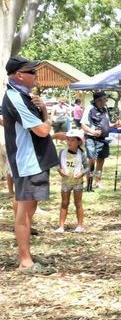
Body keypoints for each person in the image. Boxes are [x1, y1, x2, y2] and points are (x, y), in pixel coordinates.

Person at [2, 56, 59, 274]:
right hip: (28, 161)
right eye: (32, 72)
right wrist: (47, 117)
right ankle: (25, 261)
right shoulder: (15, 97)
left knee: (31, 206)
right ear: (19, 75)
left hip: (35, 160)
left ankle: (27, 254)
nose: (36, 75)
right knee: (25, 210)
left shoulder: (24, 96)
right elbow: (43, 131)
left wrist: (43, 109)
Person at [55, 129, 87, 233]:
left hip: (77, 183)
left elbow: (87, 167)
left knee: (78, 203)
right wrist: (60, 171)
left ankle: (80, 225)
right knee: (64, 203)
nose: (69, 142)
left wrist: (82, 173)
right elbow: (58, 165)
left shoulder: (82, 153)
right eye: (68, 140)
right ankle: (61, 226)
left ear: (79, 142)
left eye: (73, 140)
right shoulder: (62, 152)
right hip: (66, 182)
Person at [81, 91, 114, 190]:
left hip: (103, 139)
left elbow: (107, 124)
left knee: (101, 160)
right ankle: (88, 183)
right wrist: (92, 132)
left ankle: (98, 181)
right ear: (99, 100)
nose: (107, 101)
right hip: (92, 138)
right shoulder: (89, 108)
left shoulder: (105, 109)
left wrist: (114, 125)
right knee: (91, 160)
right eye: (105, 99)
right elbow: (83, 125)